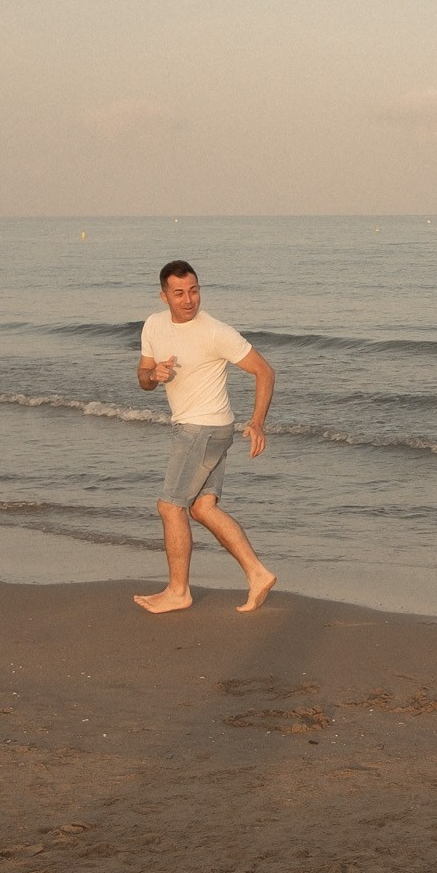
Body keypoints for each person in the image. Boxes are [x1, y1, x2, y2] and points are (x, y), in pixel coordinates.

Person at [134, 260, 278, 614]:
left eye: (194, 291)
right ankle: (257, 574)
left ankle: (178, 591)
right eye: (179, 293)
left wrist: (257, 422)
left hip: (202, 428)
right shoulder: (153, 324)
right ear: (164, 295)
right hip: (207, 429)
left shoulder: (215, 331)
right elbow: (142, 377)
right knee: (201, 507)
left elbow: (265, 371)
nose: (189, 300)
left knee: (170, 506)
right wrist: (155, 374)